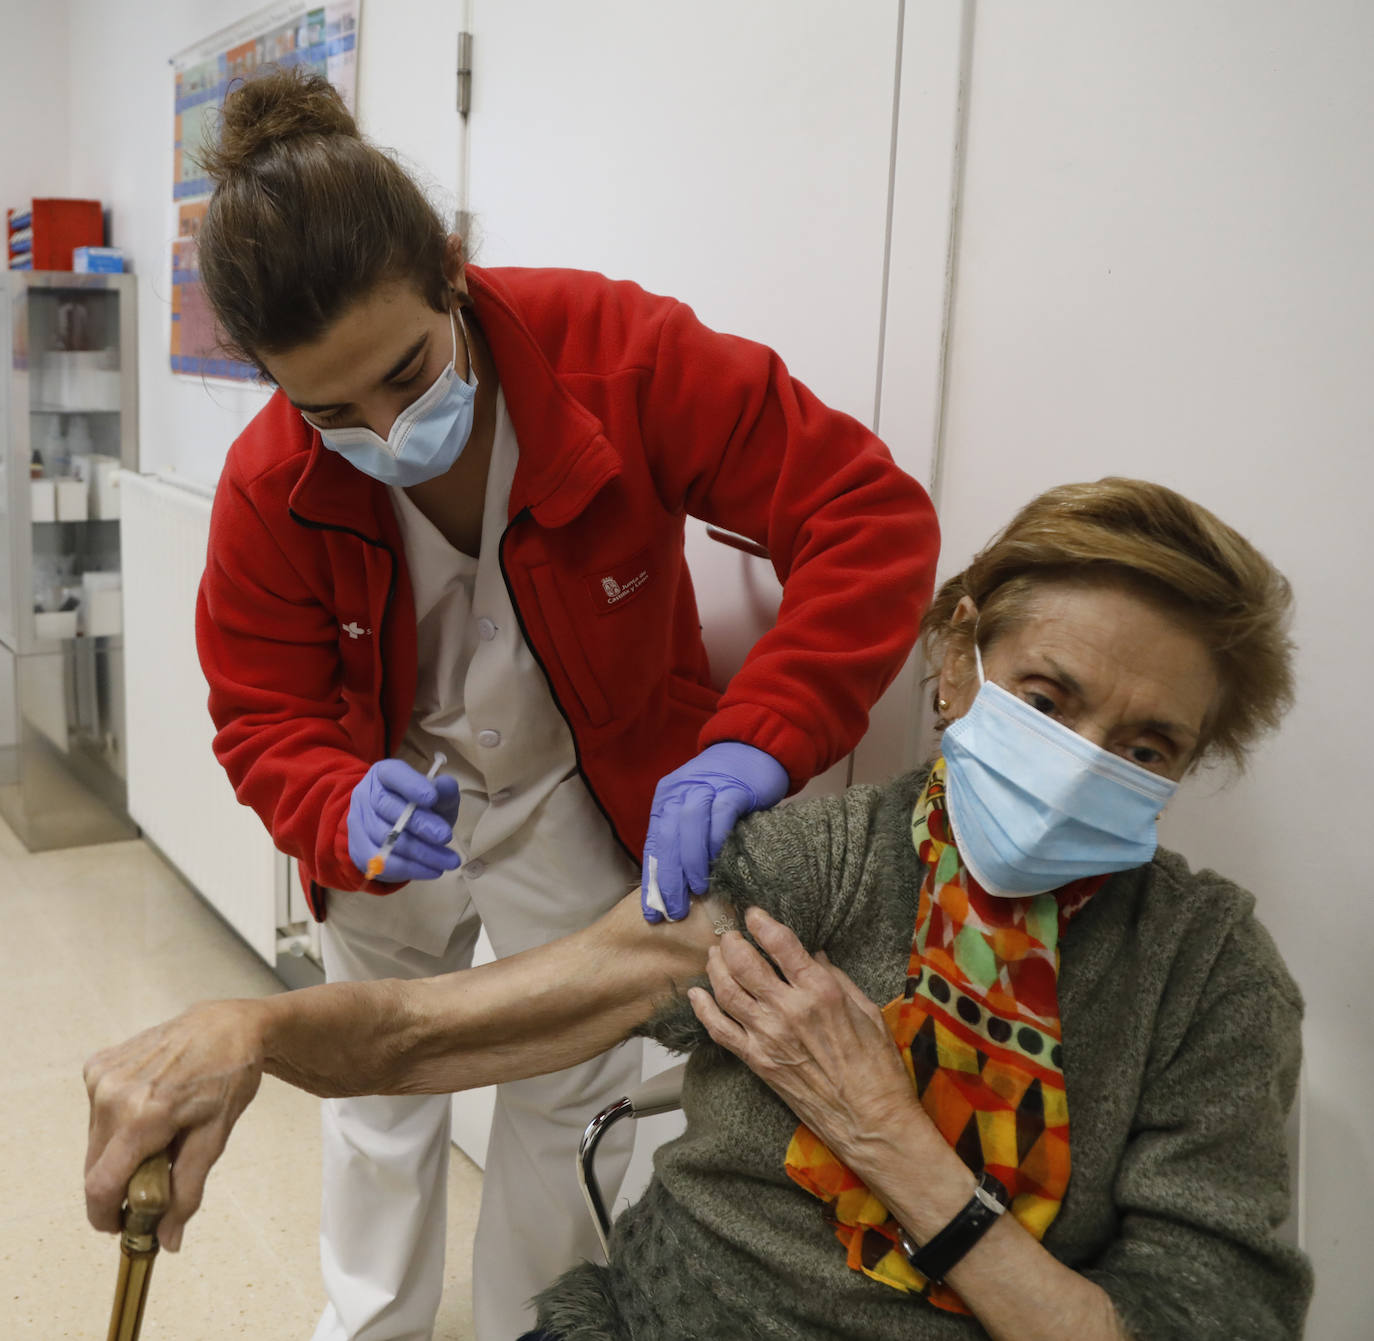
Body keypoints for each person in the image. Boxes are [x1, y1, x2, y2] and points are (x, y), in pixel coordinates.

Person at [87, 477, 1310, 1339]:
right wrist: (245, 1029)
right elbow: (445, 1027)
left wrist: (891, 1139)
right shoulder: (830, 862)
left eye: (1148, 745)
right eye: (1048, 699)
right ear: (955, 661)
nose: (1084, 760)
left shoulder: (1210, 979)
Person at [188, 67, 937, 1341]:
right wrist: (331, 797)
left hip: (572, 799)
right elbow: (260, 710)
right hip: (397, 825)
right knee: (377, 1093)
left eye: (409, 374)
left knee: (560, 1087)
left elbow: (865, 514)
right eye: (332, 411)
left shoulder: (620, 356)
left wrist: (760, 736)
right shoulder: (268, 482)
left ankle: (535, 1327)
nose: (386, 426)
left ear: (453, 266)